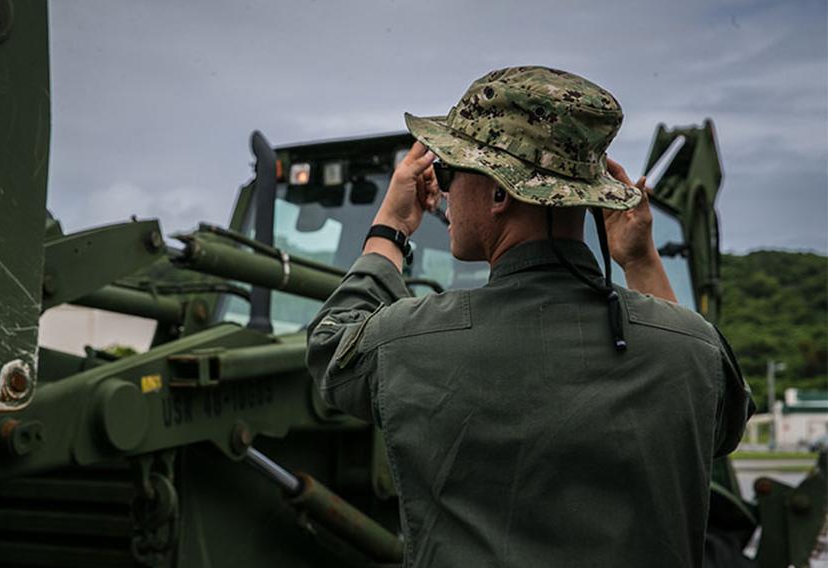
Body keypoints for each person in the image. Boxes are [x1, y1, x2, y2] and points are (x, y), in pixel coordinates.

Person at [306, 66, 753, 567]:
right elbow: (715, 417)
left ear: (500, 193)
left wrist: (390, 227)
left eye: (454, 172)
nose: (446, 193)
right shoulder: (694, 349)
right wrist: (642, 263)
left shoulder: (410, 341)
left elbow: (330, 349)